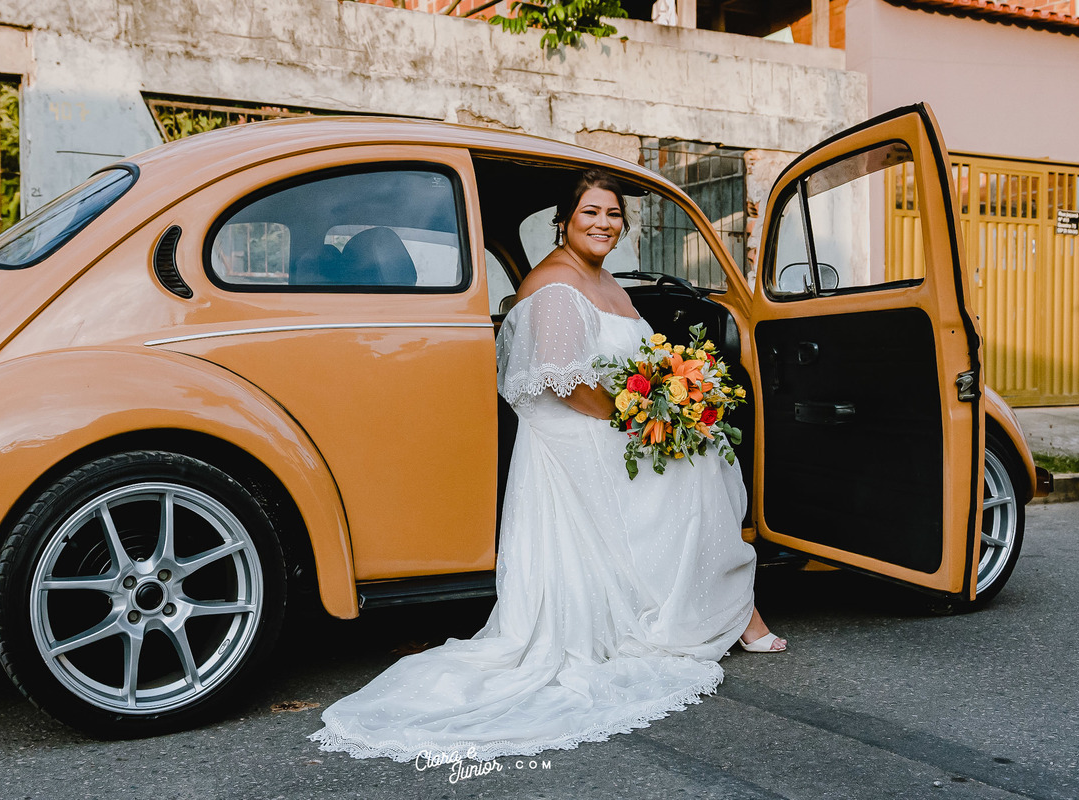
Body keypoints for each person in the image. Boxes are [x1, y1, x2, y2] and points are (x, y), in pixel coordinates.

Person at [309, 169, 784, 764]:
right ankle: (733, 612)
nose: (603, 223)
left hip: (602, 419)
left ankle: (725, 605)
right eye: (590, 212)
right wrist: (638, 420)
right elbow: (566, 382)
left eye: (613, 214)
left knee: (702, 450)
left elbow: (630, 363)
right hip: (575, 431)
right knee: (695, 464)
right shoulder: (556, 284)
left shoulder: (605, 282)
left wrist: (669, 397)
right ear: (564, 222)